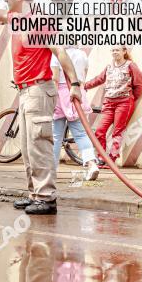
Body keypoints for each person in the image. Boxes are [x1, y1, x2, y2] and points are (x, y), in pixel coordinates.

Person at [0, 0, 83, 215]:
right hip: (26, 90)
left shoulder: (39, 22)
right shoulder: (16, 19)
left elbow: (60, 51)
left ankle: (46, 197)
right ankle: (34, 194)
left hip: (39, 89)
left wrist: (74, 83)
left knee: (39, 144)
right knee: (27, 147)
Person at [83, 46, 142, 167]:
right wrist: (84, 86)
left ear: (124, 52)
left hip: (124, 103)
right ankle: (102, 157)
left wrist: (131, 98)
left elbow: (140, 84)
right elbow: (99, 79)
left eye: (117, 50)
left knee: (117, 132)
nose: (115, 52)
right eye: (112, 50)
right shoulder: (109, 67)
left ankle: (111, 160)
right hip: (108, 103)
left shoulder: (130, 66)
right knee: (100, 131)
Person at [50, 47, 99, 181]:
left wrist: (52, 100)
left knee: (55, 136)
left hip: (61, 94)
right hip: (77, 92)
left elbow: (54, 78)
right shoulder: (82, 54)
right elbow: (84, 74)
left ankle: (51, 172)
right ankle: (91, 164)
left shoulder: (56, 54)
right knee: (81, 133)